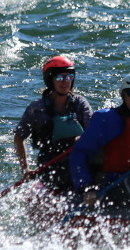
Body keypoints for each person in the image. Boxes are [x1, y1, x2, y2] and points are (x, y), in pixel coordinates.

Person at [69, 73, 130, 207]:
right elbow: (78, 154)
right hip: (112, 185)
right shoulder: (106, 118)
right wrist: (86, 188)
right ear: (123, 95)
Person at [14, 55, 93, 191]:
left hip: (78, 160)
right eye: (59, 78)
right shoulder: (36, 108)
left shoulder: (80, 103)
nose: (65, 82)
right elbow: (19, 138)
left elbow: (94, 133)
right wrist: (25, 169)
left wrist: (83, 139)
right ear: (50, 80)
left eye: (69, 77)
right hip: (50, 164)